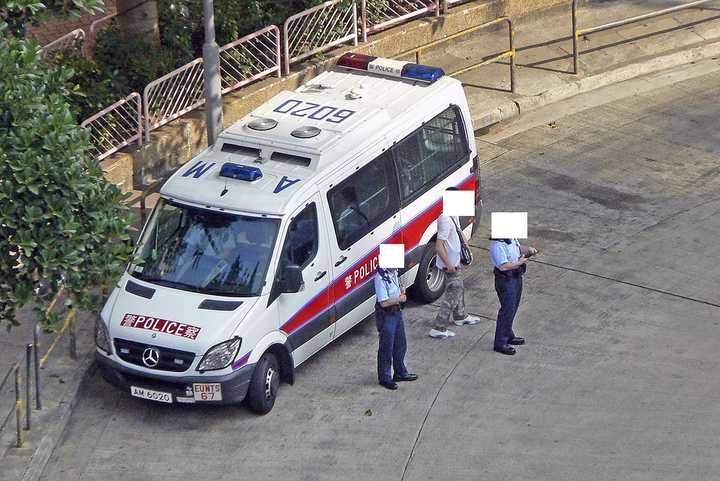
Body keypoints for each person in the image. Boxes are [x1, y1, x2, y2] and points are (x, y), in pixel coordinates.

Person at [429, 188, 482, 339]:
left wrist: (466, 246)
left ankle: (460, 316)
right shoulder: (444, 219)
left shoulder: (453, 215)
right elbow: (439, 245)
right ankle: (439, 327)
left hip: (455, 260)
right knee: (453, 292)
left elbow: (458, 232)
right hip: (450, 264)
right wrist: (449, 265)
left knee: (459, 288)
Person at [489, 238, 538, 355]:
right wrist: (520, 262)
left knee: (513, 306)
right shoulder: (497, 246)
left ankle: (508, 334)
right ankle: (500, 343)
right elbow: (503, 266)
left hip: (516, 276)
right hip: (506, 279)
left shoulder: (511, 238)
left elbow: (517, 248)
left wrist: (528, 249)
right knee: (507, 309)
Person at [374, 267, 418, 390]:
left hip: (396, 311)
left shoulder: (393, 271)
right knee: (386, 346)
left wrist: (401, 290)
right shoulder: (380, 277)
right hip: (386, 313)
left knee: (400, 343)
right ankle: (385, 378)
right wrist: (400, 299)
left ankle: (400, 372)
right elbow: (384, 302)